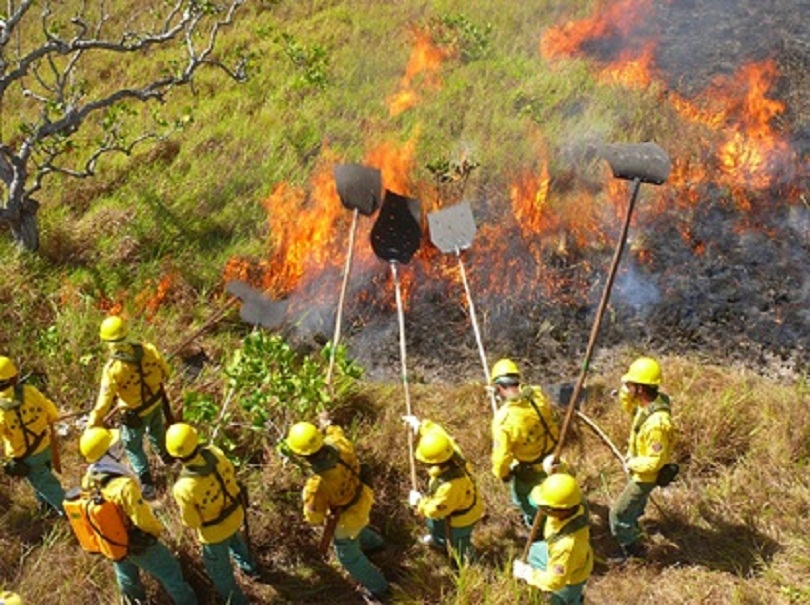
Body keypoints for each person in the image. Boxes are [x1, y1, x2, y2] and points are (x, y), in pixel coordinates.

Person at [77, 426, 197, 605]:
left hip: (112, 541)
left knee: (127, 577)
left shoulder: (88, 478)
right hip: (136, 542)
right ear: (107, 453)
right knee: (170, 571)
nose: (118, 447)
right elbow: (142, 520)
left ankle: (133, 601)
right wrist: (157, 531)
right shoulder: (124, 485)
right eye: (113, 446)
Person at [284, 418, 389, 602]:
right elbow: (335, 430)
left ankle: (379, 588)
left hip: (347, 518)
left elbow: (314, 517)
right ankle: (376, 544)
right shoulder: (340, 444)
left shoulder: (316, 485)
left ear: (300, 455)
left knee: (348, 556)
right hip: (363, 497)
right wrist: (327, 423)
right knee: (360, 526)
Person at [166, 422, 257, 605]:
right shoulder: (215, 452)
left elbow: (192, 521)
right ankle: (252, 570)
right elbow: (231, 472)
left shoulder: (183, 487)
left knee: (221, 574)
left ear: (175, 455)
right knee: (237, 541)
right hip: (236, 514)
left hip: (214, 533)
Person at [88, 315, 173, 500]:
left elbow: (104, 402)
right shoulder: (148, 349)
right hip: (155, 403)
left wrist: (94, 422)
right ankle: (168, 457)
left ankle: (146, 482)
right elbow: (166, 372)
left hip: (135, 414)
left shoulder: (113, 369)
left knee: (132, 446)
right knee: (157, 430)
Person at [609, 356, 676, 559]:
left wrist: (632, 463)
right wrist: (624, 390)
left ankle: (632, 551)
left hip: (644, 477)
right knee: (634, 507)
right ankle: (634, 524)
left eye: (630, 385)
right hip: (638, 471)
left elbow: (656, 461)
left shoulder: (657, 424)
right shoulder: (648, 404)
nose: (626, 388)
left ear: (640, 389)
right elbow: (629, 408)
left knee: (618, 515)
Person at [489, 358, 560, 527]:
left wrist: (502, 474)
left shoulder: (503, 420)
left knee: (522, 497)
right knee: (554, 491)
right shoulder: (537, 395)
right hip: (552, 456)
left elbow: (501, 457)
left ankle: (536, 523)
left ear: (498, 387)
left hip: (530, 466)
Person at [404, 416, 484, 565]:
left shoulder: (450, 486)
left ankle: (468, 561)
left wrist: (419, 503)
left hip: (461, 518)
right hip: (449, 506)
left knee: (459, 542)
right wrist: (420, 426)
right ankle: (439, 541)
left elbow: (436, 509)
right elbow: (438, 433)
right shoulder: (450, 450)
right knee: (435, 525)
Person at [512, 473, 593, 604]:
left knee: (561, 600)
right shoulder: (575, 501)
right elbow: (564, 485)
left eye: (545, 507)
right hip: (559, 552)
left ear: (560, 510)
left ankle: (573, 600)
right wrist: (555, 469)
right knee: (535, 550)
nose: (541, 509)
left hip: (569, 579)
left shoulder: (566, 547)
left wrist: (528, 574)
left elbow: (555, 582)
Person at [0, 355, 66, 516]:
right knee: (43, 479)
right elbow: (52, 413)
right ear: (14, 377)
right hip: (44, 445)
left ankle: (72, 513)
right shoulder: (30, 391)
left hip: (26, 456)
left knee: (47, 485)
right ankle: (46, 506)